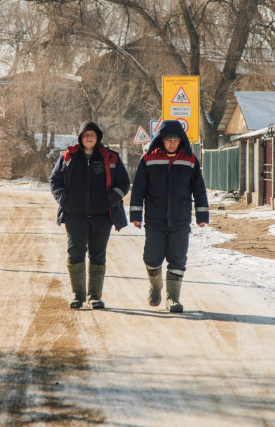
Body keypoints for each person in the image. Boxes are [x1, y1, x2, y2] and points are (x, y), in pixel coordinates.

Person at [129, 120, 208, 313]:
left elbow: (199, 189)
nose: (172, 143)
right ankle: (155, 285)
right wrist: (136, 214)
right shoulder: (148, 159)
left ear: (181, 141)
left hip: (180, 219)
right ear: (161, 140)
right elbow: (138, 188)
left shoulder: (190, 159)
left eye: (175, 140)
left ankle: (173, 298)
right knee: (151, 258)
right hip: (155, 219)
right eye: (168, 140)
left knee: (178, 258)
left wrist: (202, 214)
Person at [50, 121, 130, 309]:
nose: (89, 138)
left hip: (102, 216)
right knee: (75, 253)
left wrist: (110, 200)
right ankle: (77, 296)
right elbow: (54, 181)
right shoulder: (68, 156)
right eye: (85, 135)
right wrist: (64, 200)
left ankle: (95, 297)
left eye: (92, 135)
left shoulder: (109, 157)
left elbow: (124, 182)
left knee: (97, 254)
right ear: (80, 137)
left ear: (98, 137)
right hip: (74, 215)